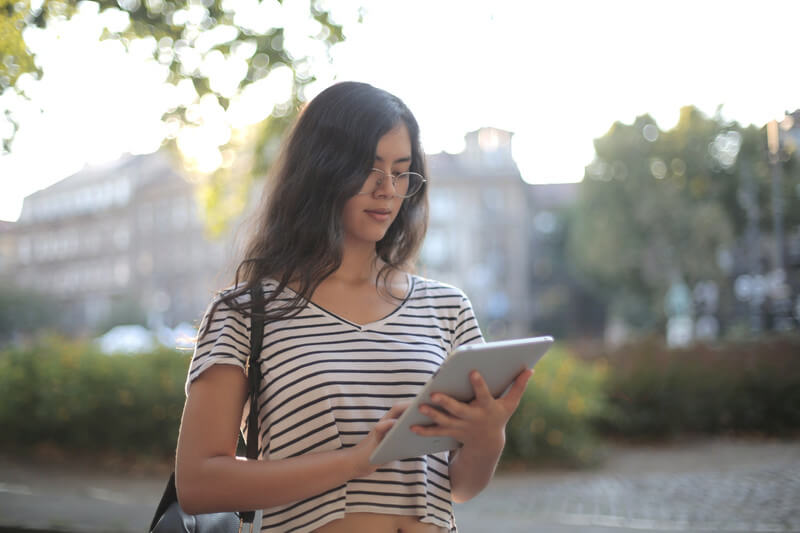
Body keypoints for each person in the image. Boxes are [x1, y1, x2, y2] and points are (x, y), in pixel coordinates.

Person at [175, 81, 533, 533]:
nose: (387, 189)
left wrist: (488, 436)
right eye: (370, 168)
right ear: (322, 170)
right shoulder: (246, 313)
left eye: (401, 172)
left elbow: (458, 486)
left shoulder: (446, 307)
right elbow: (199, 483)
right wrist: (356, 461)